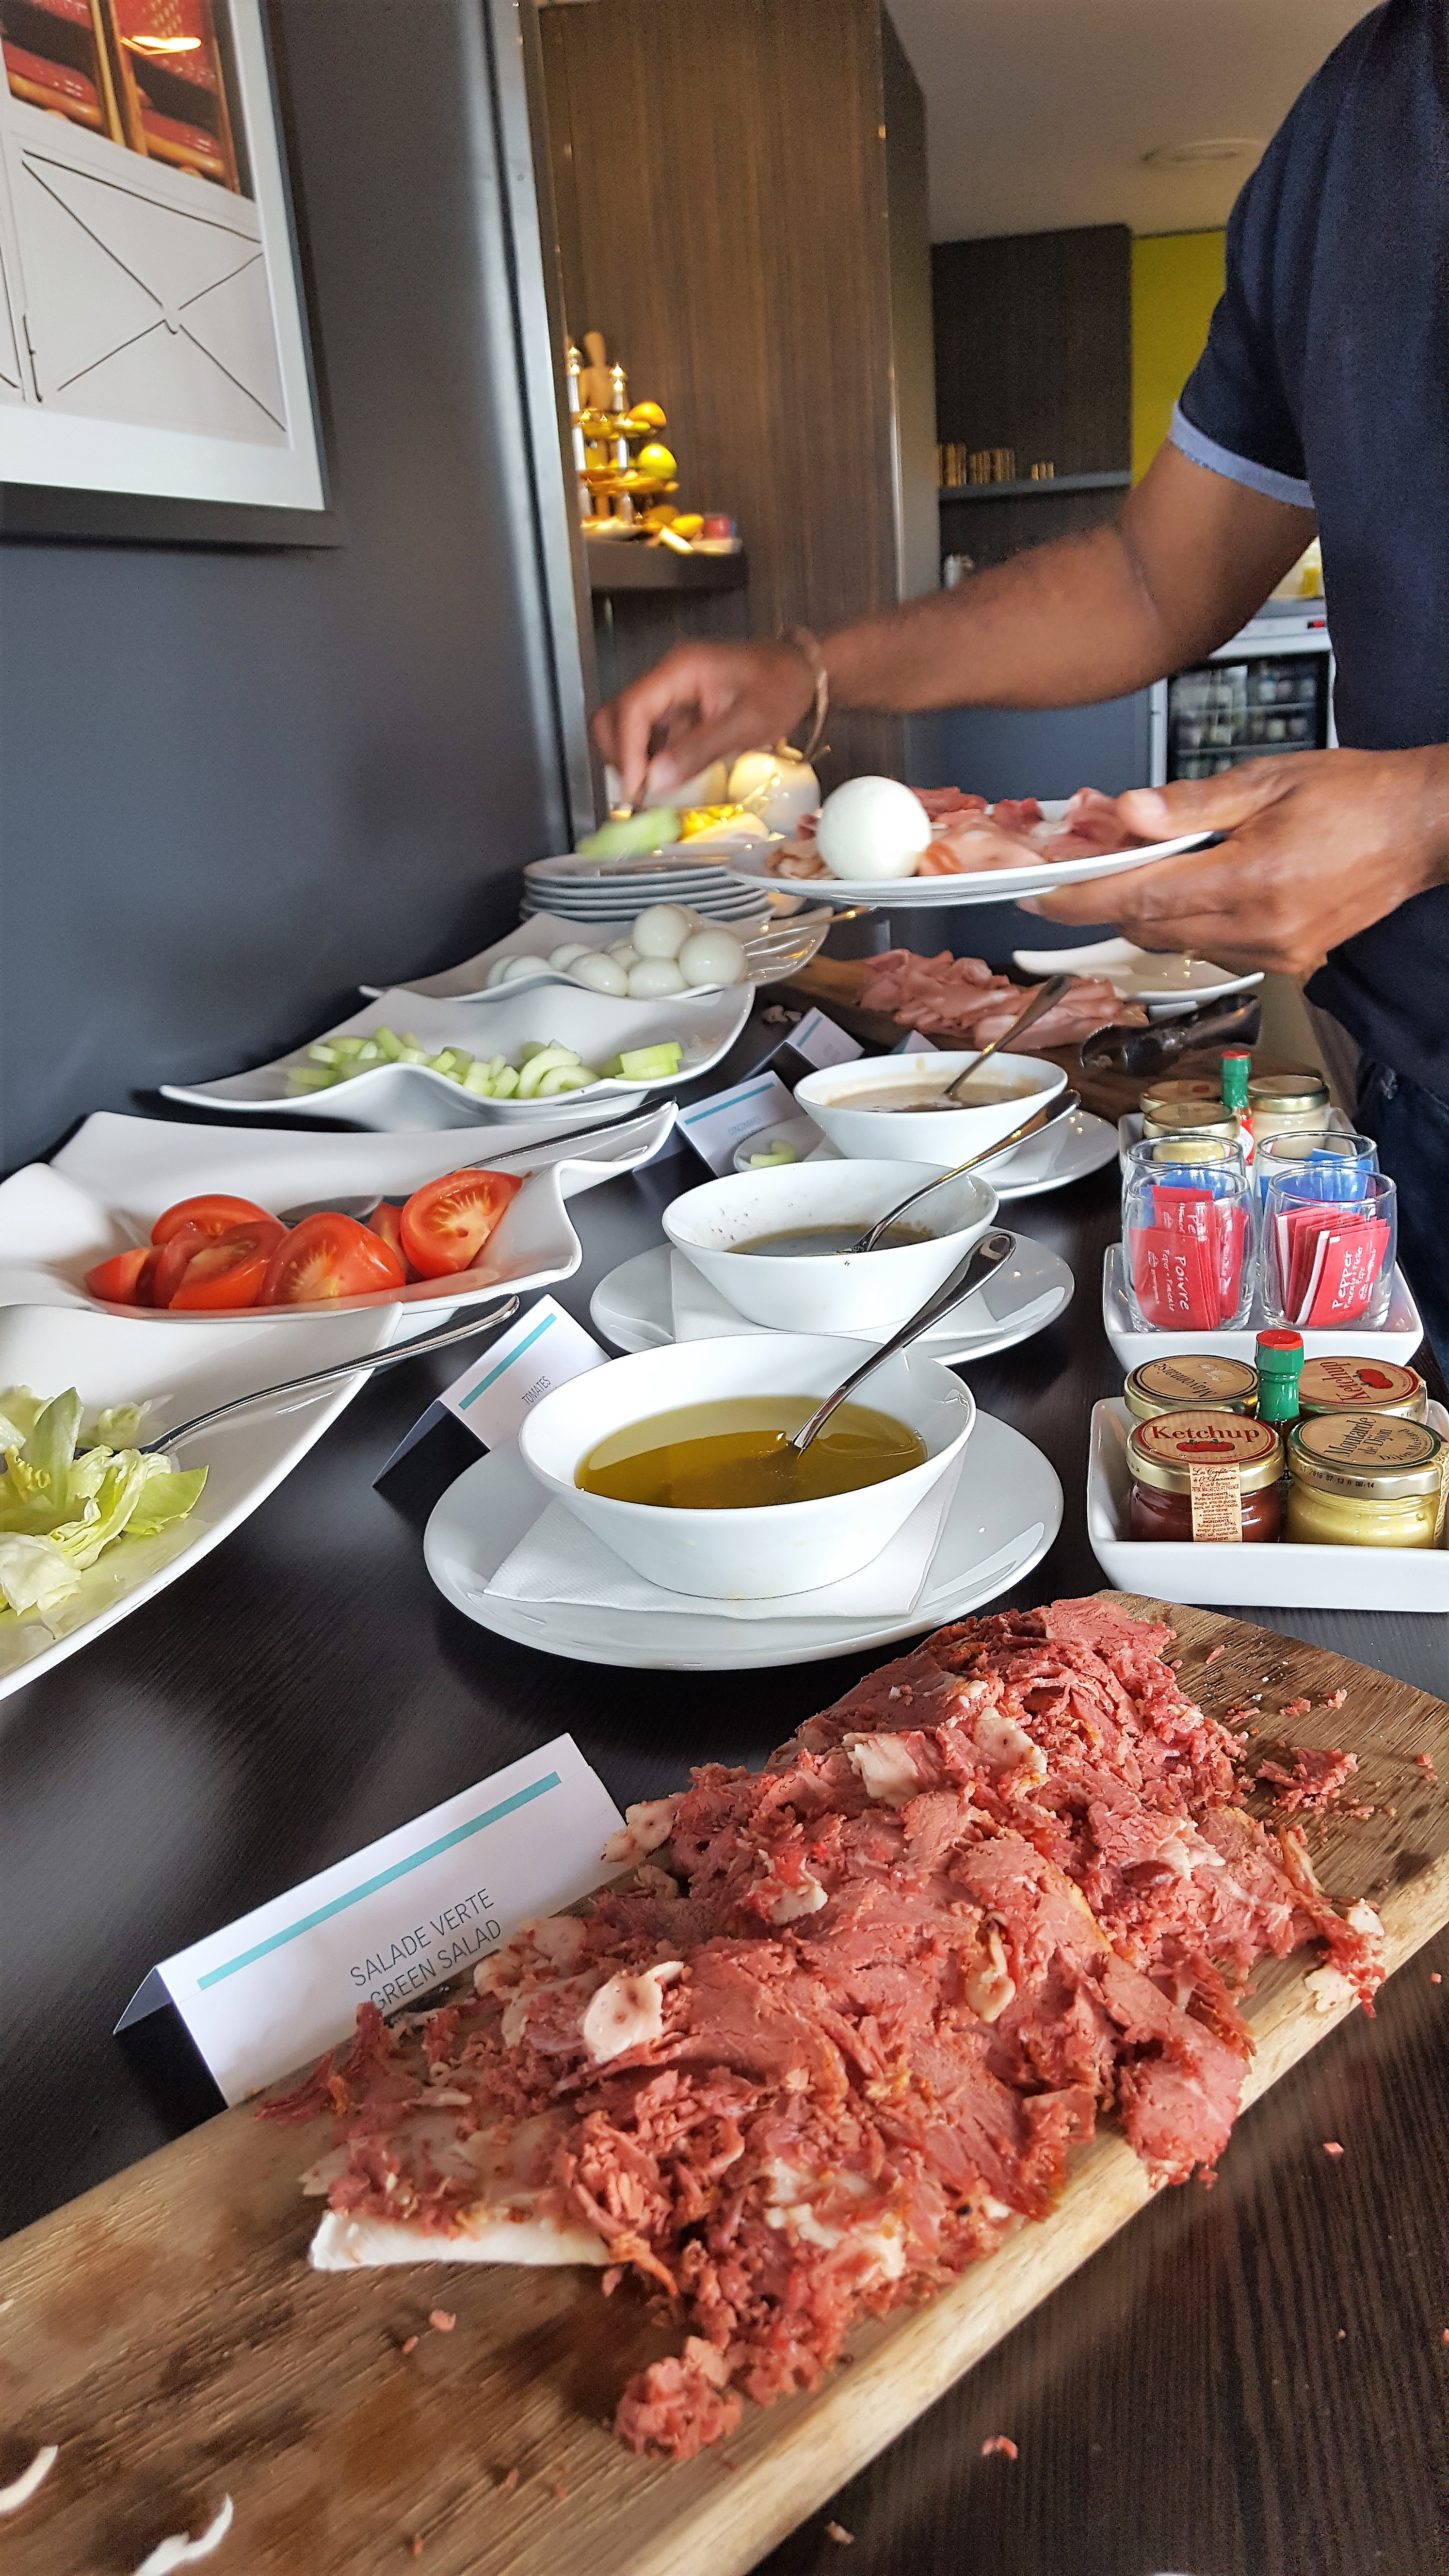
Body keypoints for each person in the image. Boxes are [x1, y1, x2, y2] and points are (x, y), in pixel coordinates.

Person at [593, 0, 1449, 1364]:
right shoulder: (1350, 130)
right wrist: (805, 672)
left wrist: (1427, 812)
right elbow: (1151, 578)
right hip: (1408, 1077)